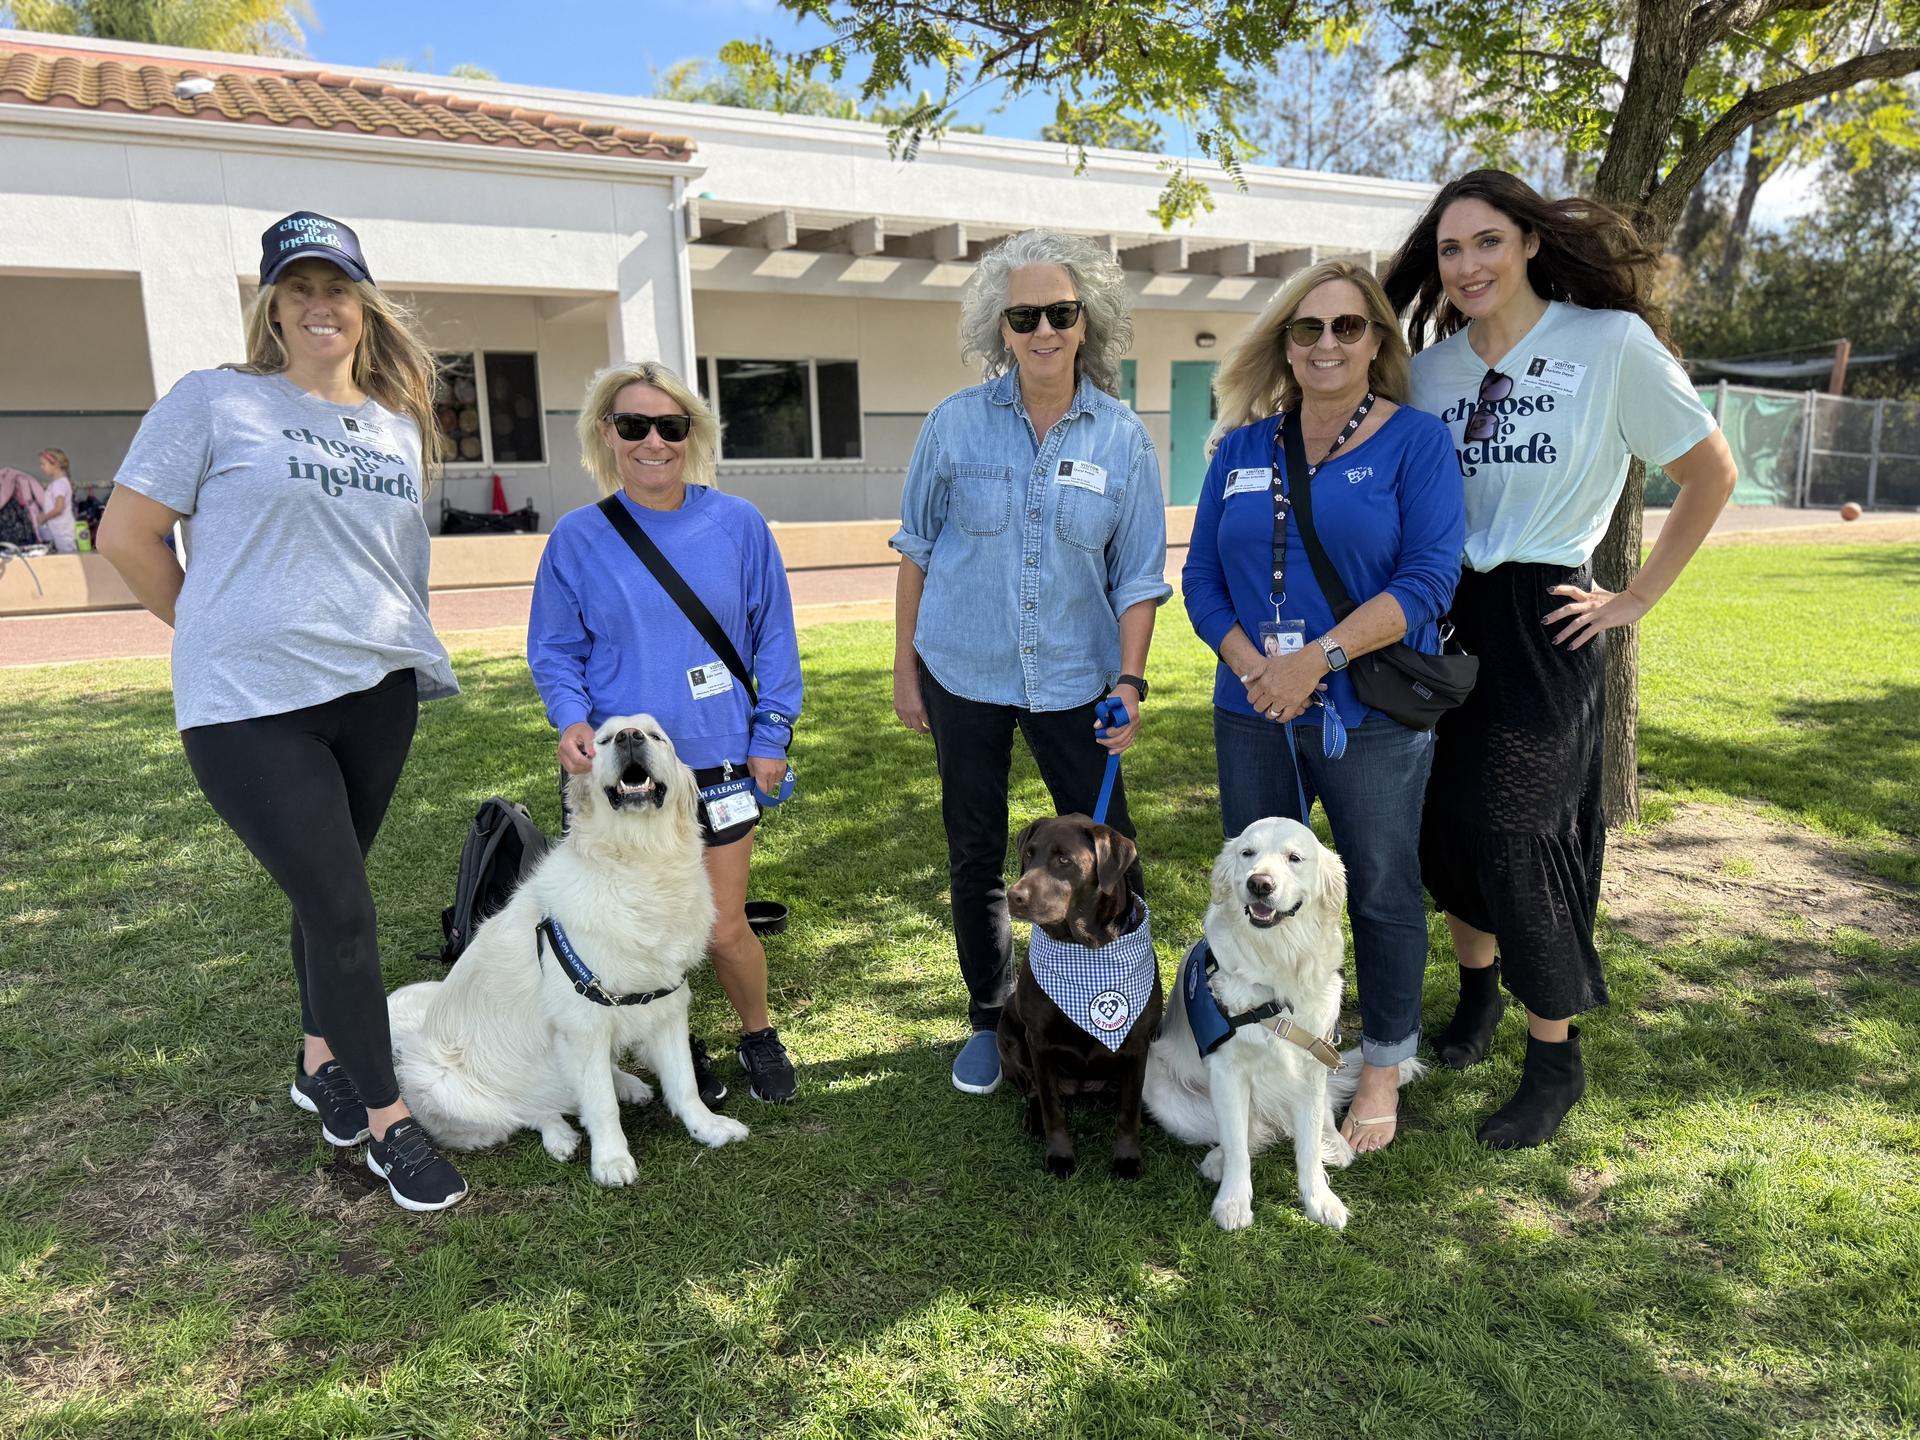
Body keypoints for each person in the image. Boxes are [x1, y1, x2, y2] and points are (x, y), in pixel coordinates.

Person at [97, 211, 469, 1211]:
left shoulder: (394, 423)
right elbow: (129, 535)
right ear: (271, 304)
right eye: (299, 288)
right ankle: (390, 1126)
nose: (320, 306)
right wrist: (211, 628)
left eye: (336, 288)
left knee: (327, 891)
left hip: (376, 694)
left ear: (362, 304)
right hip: (252, 706)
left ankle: (321, 1060)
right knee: (346, 909)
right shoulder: (215, 402)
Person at [1384, 169, 1737, 1148]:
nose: (1468, 265)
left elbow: (1711, 471)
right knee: (1444, 829)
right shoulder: (1429, 373)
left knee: (1518, 827)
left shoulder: (1608, 344)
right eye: (1450, 250)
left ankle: (1555, 1057)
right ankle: (1477, 998)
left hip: (1550, 614)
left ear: (1530, 242)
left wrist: (1634, 598)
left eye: (1488, 241)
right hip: (1446, 615)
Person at [1182, 259, 1465, 1152]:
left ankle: (1381, 1067)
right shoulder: (1238, 446)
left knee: (1378, 890)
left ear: (1377, 341)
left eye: (1349, 327)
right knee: (1258, 891)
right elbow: (1197, 579)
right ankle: (1273, 1050)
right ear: (1286, 344)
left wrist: (1316, 659)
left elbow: (1429, 578)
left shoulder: (1414, 442)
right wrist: (1258, 669)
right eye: (1309, 329)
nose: (1328, 343)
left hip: (1368, 716)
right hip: (1251, 705)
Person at [891, 228, 1172, 1096]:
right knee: (977, 851)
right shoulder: (953, 424)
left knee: (1107, 846)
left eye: (1060, 312)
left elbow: (1138, 578)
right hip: (962, 671)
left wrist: (1128, 681)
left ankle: (1114, 1012)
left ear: (1088, 321)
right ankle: (992, 1015)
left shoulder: (1123, 440)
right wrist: (905, 669)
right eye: (1024, 315)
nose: (1043, 329)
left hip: (1077, 682)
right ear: (1000, 327)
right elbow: (916, 552)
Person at [528, 360, 804, 1105]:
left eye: (670, 426)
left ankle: (758, 1033)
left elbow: (773, 636)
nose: (653, 440)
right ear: (605, 435)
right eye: (632, 425)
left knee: (719, 927)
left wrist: (770, 734)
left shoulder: (738, 524)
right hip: (619, 778)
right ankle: (679, 1046)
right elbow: (555, 649)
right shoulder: (578, 539)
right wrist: (571, 720)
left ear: (692, 434)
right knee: (635, 932)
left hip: (716, 765)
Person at [34, 448, 78, 554]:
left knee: (68, 559)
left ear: (56, 464)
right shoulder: (59, 483)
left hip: (63, 531)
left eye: (43, 464)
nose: (41, 467)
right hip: (60, 530)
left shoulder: (59, 484)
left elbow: (59, 508)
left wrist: (44, 517)